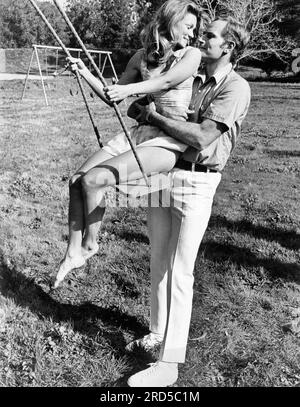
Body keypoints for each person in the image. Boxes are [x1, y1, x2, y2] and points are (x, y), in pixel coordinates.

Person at [124, 16, 251, 387]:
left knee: (181, 272)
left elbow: (201, 137)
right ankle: (157, 332)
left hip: (198, 182)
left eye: (210, 34)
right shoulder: (186, 73)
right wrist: (141, 106)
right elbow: (142, 102)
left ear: (227, 46)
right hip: (164, 172)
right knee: (158, 259)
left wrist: (154, 116)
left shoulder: (235, 87)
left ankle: (170, 363)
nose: (200, 36)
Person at [54, 0, 205, 288]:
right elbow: (113, 95)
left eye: (194, 28)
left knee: (94, 180)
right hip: (141, 133)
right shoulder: (140, 57)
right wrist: (84, 71)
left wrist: (129, 89)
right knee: (76, 180)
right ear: (171, 21)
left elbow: (165, 83)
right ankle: (73, 251)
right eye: (188, 26)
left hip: (170, 140)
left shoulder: (191, 55)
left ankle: (90, 244)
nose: (192, 32)